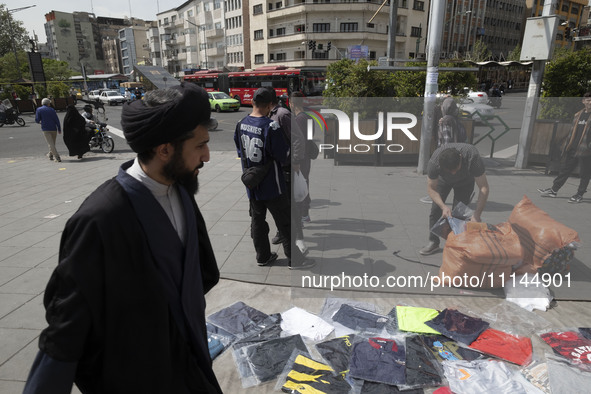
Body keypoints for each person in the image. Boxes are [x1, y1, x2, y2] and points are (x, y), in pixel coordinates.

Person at [23, 83, 222, 393]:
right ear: (165, 150)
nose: (207, 156)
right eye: (200, 146)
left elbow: (197, 273)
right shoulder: (100, 219)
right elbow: (66, 328)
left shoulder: (180, 188)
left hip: (191, 362)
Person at [234, 87, 313, 270]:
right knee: (285, 223)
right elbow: (283, 154)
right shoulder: (271, 126)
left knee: (257, 221)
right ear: (270, 105)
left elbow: (239, 150)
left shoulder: (240, 124)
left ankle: (263, 256)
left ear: (252, 102)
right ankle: (295, 260)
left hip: (252, 184)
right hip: (273, 184)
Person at [419, 143, 489, 256]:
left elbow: (484, 187)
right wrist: (443, 207)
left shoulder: (472, 156)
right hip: (443, 181)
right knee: (435, 211)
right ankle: (433, 242)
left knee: (459, 213)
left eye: (456, 169)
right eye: (449, 170)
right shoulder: (434, 162)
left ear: (461, 158)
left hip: (466, 182)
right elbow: (431, 188)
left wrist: (477, 214)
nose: (453, 173)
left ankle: (456, 243)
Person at [538, 92, 591, 203]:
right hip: (573, 148)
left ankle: (579, 194)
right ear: (583, 101)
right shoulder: (578, 115)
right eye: (588, 100)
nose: (590, 102)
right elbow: (572, 132)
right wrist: (567, 145)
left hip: (586, 150)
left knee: (585, 173)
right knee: (565, 170)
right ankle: (553, 190)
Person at [35, 98, 62, 162]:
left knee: (51, 144)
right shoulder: (52, 110)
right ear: (48, 103)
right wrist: (59, 128)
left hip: (45, 128)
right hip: (53, 128)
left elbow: (37, 120)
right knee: (52, 143)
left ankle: (57, 157)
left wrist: (40, 121)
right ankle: (50, 155)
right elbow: (56, 120)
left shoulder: (39, 109)